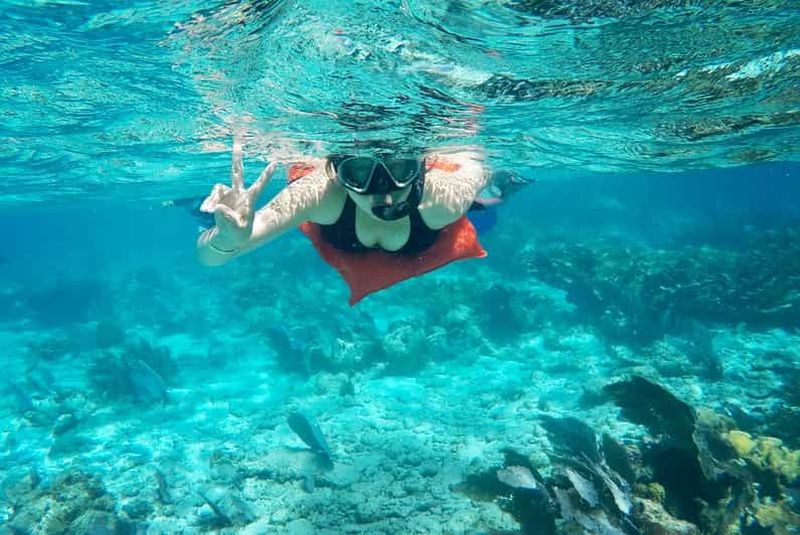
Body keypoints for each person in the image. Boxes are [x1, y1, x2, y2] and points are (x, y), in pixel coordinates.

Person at [196, 138, 530, 304]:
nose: (382, 194)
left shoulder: (441, 198)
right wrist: (230, 237)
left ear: (419, 169)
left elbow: (474, 172)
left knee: (481, 203)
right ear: (340, 176)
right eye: (359, 174)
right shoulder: (321, 193)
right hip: (356, 238)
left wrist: (486, 176)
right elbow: (209, 259)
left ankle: (500, 193)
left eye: (399, 169)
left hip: (430, 229)